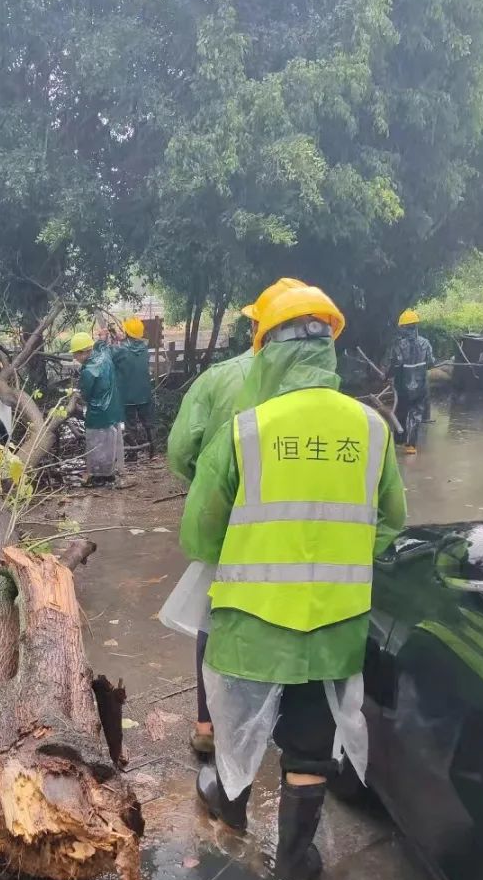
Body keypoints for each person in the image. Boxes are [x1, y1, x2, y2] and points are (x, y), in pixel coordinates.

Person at [180, 283, 407, 880]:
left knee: (238, 728)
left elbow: (199, 535)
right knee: (310, 743)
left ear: (266, 350)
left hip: (251, 619)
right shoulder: (372, 427)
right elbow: (392, 521)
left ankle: (229, 808)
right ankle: (290, 867)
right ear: (329, 347)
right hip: (333, 621)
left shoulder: (246, 430)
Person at [166, 278, 306, 755]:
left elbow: (181, 449)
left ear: (255, 327)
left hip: (227, 520)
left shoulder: (218, 378)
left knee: (215, 617)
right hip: (295, 525)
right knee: (282, 618)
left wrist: (208, 483)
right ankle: (276, 726)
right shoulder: (318, 385)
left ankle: (207, 727)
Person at [69, 330, 122, 487]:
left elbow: (85, 395)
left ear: (84, 352)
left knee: (96, 445)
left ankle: (98, 477)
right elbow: (103, 347)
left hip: (98, 412)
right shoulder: (104, 356)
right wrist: (101, 339)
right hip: (112, 408)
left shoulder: (88, 371)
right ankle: (110, 474)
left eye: (76, 354)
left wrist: (76, 395)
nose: (74, 358)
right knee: (110, 443)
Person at [388, 309, 434, 454]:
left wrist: (386, 376)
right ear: (415, 327)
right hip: (420, 385)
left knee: (401, 411)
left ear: (403, 328)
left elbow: (395, 365)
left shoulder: (399, 345)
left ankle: (398, 440)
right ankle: (411, 445)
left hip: (402, 385)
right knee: (416, 413)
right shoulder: (425, 343)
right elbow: (431, 363)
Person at [112, 317, 156, 457]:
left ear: (127, 332)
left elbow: (111, 356)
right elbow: (132, 350)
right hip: (144, 394)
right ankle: (152, 451)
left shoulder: (121, 350)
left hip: (127, 396)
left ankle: (132, 455)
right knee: (148, 423)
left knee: (130, 426)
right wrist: (121, 340)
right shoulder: (144, 349)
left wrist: (115, 341)